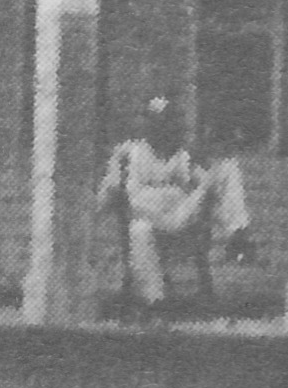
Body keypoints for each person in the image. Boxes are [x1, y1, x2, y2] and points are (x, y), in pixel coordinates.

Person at [96, 96, 251, 321]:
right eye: (155, 122)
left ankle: (238, 231)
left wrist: (196, 186)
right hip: (148, 217)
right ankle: (155, 300)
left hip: (181, 222)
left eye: (167, 123)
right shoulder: (130, 153)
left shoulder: (182, 155)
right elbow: (114, 193)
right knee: (140, 229)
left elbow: (204, 185)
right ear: (146, 124)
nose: (161, 129)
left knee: (227, 168)